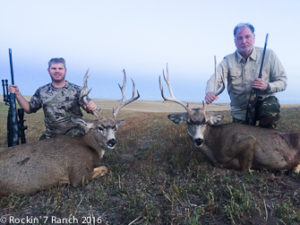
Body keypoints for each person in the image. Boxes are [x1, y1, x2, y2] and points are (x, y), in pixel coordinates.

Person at [205, 23, 287, 128]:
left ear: (254, 37)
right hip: (240, 109)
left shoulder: (269, 55)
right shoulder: (228, 60)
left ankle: (267, 134)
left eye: (247, 37)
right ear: (235, 41)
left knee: (269, 113)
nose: (244, 41)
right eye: (239, 38)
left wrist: (267, 86)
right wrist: (210, 92)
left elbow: (283, 81)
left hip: (264, 103)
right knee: (241, 140)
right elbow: (214, 79)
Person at [9, 57, 98, 139]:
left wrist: (92, 106)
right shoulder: (42, 91)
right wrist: (17, 93)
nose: (57, 71)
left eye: (60, 68)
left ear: (65, 71)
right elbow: (29, 108)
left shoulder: (77, 90)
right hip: (51, 136)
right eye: (54, 68)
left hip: (75, 136)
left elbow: (90, 107)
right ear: (48, 70)